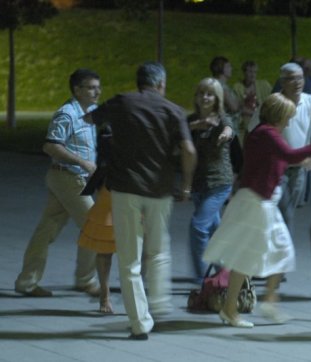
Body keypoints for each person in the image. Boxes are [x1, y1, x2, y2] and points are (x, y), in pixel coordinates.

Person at [203, 93, 311, 328]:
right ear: (279, 115)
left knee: (273, 254)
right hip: (256, 204)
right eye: (288, 117)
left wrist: (302, 161)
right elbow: (289, 154)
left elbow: (280, 160)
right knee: (253, 257)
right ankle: (238, 309)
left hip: (262, 203)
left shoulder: (263, 133)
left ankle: (262, 303)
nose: (289, 121)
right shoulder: (267, 134)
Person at [85, 61, 196, 341]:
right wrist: (185, 184)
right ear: (161, 84)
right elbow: (189, 151)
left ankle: (138, 323)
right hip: (159, 190)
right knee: (158, 250)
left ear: (139, 82)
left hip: (124, 189)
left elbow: (91, 119)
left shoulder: (122, 102)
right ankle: (158, 302)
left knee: (129, 259)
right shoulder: (173, 110)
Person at [14, 69, 101, 298]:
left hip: (74, 179)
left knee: (46, 230)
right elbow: (50, 146)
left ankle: (27, 282)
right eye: (91, 87)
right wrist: (84, 163)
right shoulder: (67, 114)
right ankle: (85, 279)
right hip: (68, 178)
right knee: (95, 227)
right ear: (77, 90)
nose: (97, 91)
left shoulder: (91, 111)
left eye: (97, 86)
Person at [249, 62, 311, 233]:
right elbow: (252, 131)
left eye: (300, 78)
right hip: (274, 169)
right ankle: (280, 252)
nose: (297, 82)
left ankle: (273, 249)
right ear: (282, 82)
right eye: (291, 79)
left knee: (285, 214)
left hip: (298, 170)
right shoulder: (272, 104)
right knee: (283, 216)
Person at [188, 78, 234, 284]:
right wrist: (195, 125)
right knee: (215, 229)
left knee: (198, 226)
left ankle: (201, 278)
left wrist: (224, 135)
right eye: (201, 93)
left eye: (210, 94)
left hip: (219, 183)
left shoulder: (223, 118)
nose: (205, 97)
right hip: (199, 184)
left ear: (217, 99)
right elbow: (175, 135)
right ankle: (227, 273)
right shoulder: (191, 121)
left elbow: (229, 129)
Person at [78, 124, 115, 313]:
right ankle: (105, 295)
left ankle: (136, 297)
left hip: (132, 193)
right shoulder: (109, 129)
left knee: (136, 254)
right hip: (110, 191)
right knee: (104, 249)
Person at [232, 60, 272, 144]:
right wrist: (255, 113)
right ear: (244, 73)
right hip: (245, 122)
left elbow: (272, 101)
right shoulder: (237, 87)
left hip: (262, 121)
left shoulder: (264, 85)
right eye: (250, 71)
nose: (253, 74)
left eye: (255, 72)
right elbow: (238, 108)